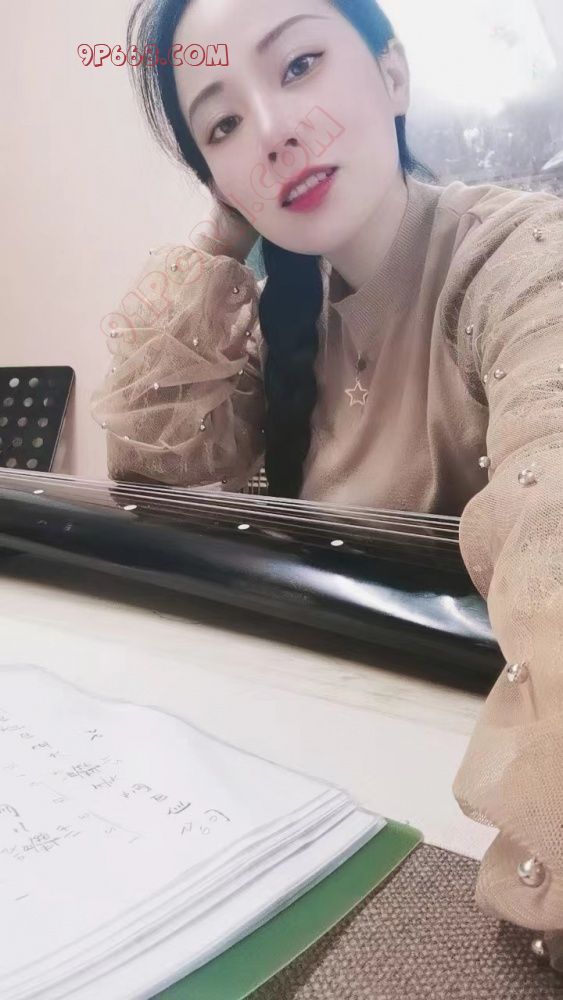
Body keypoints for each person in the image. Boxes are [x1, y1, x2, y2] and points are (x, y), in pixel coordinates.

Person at [91, 0, 563, 968]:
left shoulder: (514, 261)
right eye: (223, 123)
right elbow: (152, 478)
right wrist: (225, 234)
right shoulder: (285, 324)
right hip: (330, 782)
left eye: (298, 65)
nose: (272, 131)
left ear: (391, 73)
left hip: (456, 817)